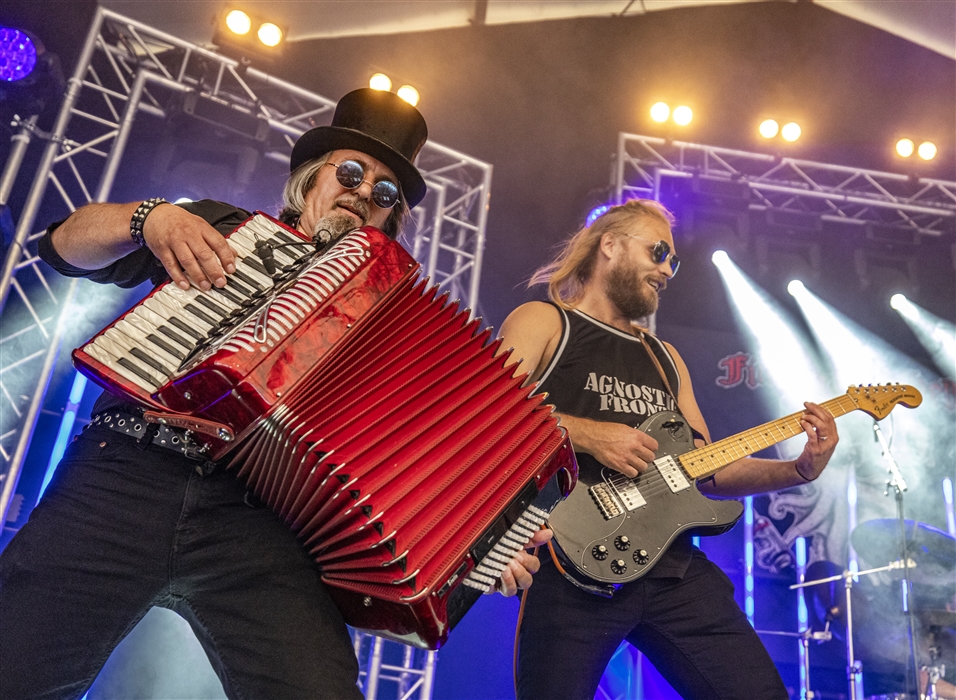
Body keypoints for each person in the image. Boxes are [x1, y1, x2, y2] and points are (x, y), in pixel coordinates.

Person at [0, 88, 549, 700]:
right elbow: (61, 246)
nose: (364, 191)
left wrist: (490, 543)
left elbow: (432, 460)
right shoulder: (224, 228)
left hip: (265, 525)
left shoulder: (399, 322)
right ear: (311, 181)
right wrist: (148, 218)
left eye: (385, 191)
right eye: (350, 172)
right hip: (130, 473)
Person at [499, 199, 840, 700]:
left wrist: (800, 468)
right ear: (609, 245)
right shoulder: (545, 321)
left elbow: (705, 470)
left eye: (673, 262)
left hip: (672, 571)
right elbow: (488, 415)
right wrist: (589, 434)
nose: (666, 270)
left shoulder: (664, 359)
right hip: (569, 564)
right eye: (658, 252)